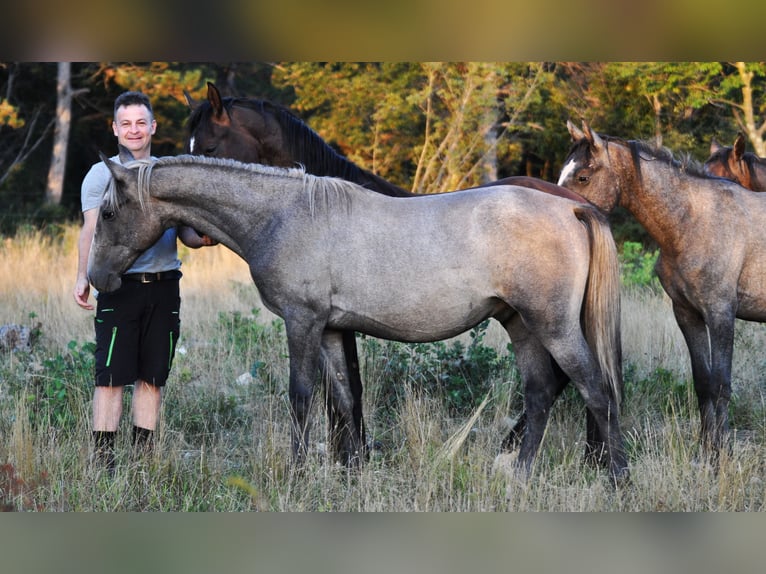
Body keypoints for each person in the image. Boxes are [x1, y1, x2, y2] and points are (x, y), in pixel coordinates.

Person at [73, 90, 215, 472]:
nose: (133, 130)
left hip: (165, 284)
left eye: (141, 123)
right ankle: (104, 464)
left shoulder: (167, 174)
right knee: (111, 379)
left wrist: (202, 238)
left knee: (152, 378)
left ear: (152, 127)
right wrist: (81, 277)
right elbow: (89, 231)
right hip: (119, 288)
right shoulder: (100, 175)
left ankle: (142, 463)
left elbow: (184, 233)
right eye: (126, 123)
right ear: (115, 128)